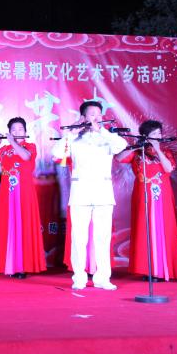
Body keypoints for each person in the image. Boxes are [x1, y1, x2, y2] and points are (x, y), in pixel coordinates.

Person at [52, 100, 128, 290]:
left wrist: (101, 131)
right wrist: (71, 134)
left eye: (98, 114)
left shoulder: (108, 137)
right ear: (83, 117)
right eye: (92, 114)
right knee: (79, 237)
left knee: (103, 237)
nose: (96, 117)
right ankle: (79, 277)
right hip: (81, 193)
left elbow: (122, 146)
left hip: (103, 192)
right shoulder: (74, 139)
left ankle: (103, 278)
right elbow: (57, 153)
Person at [116, 120, 177, 281]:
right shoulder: (138, 152)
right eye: (153, 133)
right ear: (145, 135)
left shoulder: (166, 151)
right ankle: (146, 269)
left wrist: (157, 149)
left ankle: (163, 269)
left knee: (163, 227)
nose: (157, 136)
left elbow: (168, 168)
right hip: (143, 194)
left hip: (163, 194)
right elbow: (119, 158)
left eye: (159, 133)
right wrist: (136, 146)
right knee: (144, 229)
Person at [0, 117, 46, 278]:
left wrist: (12, 142)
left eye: (20, 129)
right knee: (10, 225)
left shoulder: (30, 146)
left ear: (25, 132)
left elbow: (25, 157)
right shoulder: (4, 149)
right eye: (14, 129)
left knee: (23, 225)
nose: (17, 132)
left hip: (25, 192)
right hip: (8, 192)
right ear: (9, 132)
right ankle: (11, 264)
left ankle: (23, 266)